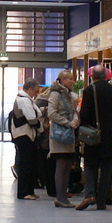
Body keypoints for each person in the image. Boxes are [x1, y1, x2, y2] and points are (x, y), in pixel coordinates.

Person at [75, 65, 112, 211]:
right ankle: (101, 200)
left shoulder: (89, 91)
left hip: (93, 136)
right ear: (106, 76)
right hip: (110, 136)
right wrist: (111, 125)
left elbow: (84, 115)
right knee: (106, 168)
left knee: (90, 165)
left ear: (92, 76)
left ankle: (90, 194)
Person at [45, 70, 79, 208]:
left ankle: (64, 196)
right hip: (59, 135)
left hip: (69, 134)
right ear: (62, 80)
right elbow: (51, 113)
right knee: (61, 164)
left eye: (72, 79)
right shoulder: (55, 94)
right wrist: (67, 122)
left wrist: (76, 120)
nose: (72, 81)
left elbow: (74, 112)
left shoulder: (70, 95)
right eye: (69, 79)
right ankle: (60, 196)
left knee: (67, 165)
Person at [10, 80, 43, 200]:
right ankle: (23, 192)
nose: (36, 93)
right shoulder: (23, 100)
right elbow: (31, 118)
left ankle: (30, 190)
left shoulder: (26, 99)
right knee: (26, 164)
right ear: (29, 89)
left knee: (32, 163)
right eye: (35, 91)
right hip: (24, 135)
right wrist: (41, 128)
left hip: (28, 135)